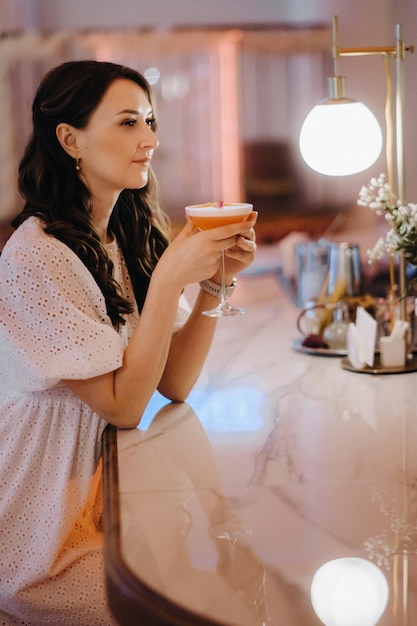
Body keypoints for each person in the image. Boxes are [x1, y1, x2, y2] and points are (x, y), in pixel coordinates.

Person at [0, 60, 257, 625]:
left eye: (149, 120)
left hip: (107, 495)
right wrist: (170, 277)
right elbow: (123, 407)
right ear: (70, 139)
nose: (150, 139)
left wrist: (216, 279)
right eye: (127, 123)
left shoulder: (122, 236)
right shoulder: (34, 256)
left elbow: (174, 382)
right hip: (43, 525)